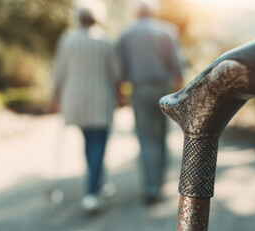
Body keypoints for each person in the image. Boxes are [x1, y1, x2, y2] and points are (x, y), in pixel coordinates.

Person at [49, 5, 120, 213]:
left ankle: (97, 183)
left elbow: (58, 72)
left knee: (90, 143)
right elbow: (115, 73)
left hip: (76, 101)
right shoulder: (105, 40)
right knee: (98, 144)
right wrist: (121, 96)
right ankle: (91, 192)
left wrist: (54, 97)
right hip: (101, 100)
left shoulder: (67, 40)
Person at [117, 0, 183, 204]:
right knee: (162, 134)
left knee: (145, 137)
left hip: (139, 89)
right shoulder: (167, 31)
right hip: (163, 88)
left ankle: (150, 187)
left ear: (136, 12)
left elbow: (121, 68)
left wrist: (119, 92)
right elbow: (176, 64)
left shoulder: (126, 34)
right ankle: (161, 182)